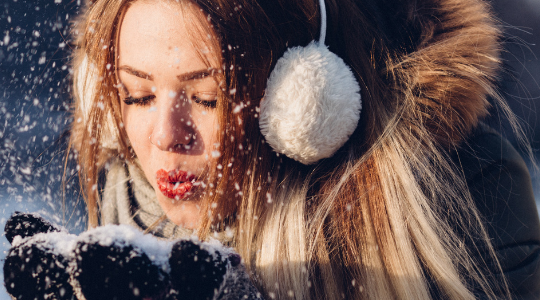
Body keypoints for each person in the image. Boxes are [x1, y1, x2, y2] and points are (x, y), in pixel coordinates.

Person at [58, 0, 540, 299]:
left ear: (303, 99)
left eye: (208, 97)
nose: (166, 135)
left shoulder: (469, 197)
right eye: (137, 96)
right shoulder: (124, 196)